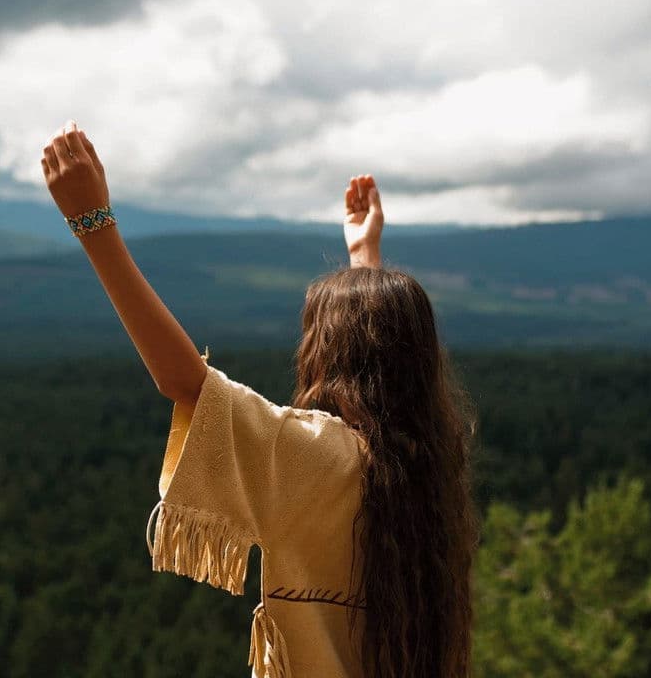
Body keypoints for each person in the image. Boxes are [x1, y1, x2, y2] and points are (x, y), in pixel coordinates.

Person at [41, 120, 478, 678]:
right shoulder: (430, 468)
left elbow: (185, 382)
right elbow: (382, 362)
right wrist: (366, 258)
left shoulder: (317, 457)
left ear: (325, 353)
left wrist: (93, 224)